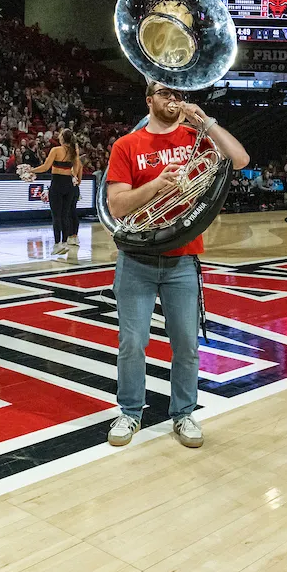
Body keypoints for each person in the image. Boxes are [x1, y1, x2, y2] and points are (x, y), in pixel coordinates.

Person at [105, 81, 249, 449]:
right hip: (136, 258)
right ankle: (130, 411)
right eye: (164, 93)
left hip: (183, 258)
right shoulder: (126, 145)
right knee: (132, 343)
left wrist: (206, 120)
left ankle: (183, 413)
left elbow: (240, 159)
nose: (173, 99)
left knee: (185, 344)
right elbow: (118, 206)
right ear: (148, 99)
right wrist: (156, 185)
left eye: (178, 94)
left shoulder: (195, 137)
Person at [26, 129, 83, 254]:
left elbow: (45, 167)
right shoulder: (74, 152)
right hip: (69, 185)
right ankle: (64, 243)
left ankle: (57, 244)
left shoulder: (56, 150)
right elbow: (77, 169)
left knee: (56, 216)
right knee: (65, 215)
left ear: (62, 138)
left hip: (57, 184)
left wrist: (31, 171)